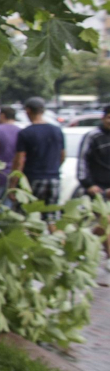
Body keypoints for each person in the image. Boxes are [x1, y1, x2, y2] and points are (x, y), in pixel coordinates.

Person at [10, 97, 65, 230]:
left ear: (28, 111)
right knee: (51, 218)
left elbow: (19, 161)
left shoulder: (26, 133)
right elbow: (63, 156)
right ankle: (58, 245)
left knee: (25, 217)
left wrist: (13, 184)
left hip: (32, 180)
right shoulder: (57, 131)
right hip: (53, 178)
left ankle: (29, 248)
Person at [76, 105, 110, 257]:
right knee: (106, 222)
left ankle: (84, 240)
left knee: (104, 225)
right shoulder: (93, 136)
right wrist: (88, 184)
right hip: (97, 189)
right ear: (103, 118)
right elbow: (82, 161)